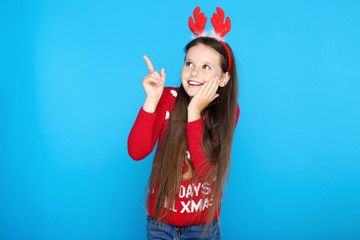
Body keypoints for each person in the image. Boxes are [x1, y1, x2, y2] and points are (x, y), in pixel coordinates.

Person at [128, 7, 240, 240]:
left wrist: (194, 111)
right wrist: (151, 100)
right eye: (189, 63)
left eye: (206, 67)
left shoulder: (228, 111)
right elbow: (137, 152)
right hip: (160, 225)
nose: (194, 72)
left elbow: (207, 170)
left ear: (224, 78)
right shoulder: (167, 98)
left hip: (202, 229)